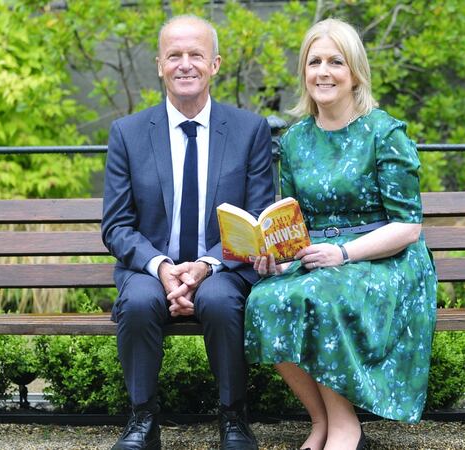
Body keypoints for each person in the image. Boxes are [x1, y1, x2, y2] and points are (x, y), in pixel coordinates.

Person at [244, 18, 437, 450]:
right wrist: (276, 254)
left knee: (322, 294)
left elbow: (408, 226)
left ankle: (345, 429)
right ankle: (322, 421)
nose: (323, 72)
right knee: (262, 299)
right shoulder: (294, 141)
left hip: (384, 260)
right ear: (304, 73)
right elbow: (294, 223)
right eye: (314, 62)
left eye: (336, 61)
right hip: (319, 258)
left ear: (355, 73)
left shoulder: (384, 133)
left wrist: (344, 253)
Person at [101, 15, 274, 450]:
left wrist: (204, 266)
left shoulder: (249, 130)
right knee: (139, 302)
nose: (185, 64)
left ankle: (234, 419)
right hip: (150, 270)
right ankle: (142, 420)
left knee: (218, 300)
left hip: (223, 268)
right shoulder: (129, 133)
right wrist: (162, 268)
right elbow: (117, 225)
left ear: (214, 64)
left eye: (195, 54)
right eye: (174, 55)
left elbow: (256, 220)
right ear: (159, 64)